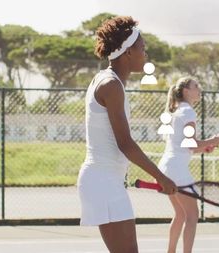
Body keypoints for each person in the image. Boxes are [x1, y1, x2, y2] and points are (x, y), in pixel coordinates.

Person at [77, 16, 177, 253]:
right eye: (142, 48)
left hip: (106, 180)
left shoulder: (109, 81)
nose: (146, 52)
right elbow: (126, 144)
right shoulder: (110, 85)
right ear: (128, 52)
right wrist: (160, 177)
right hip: (102, 181)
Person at [158, 77, 219, 253]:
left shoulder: (179, 110)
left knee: (180, 214)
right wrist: (213, 140)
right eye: (196, 86)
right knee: (192, 216)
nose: (199, 89)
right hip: (176, 170)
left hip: (166, 168)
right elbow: (190, 143)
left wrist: (205, 148)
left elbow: (186, 146)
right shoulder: (188, 112)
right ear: (186, 91)